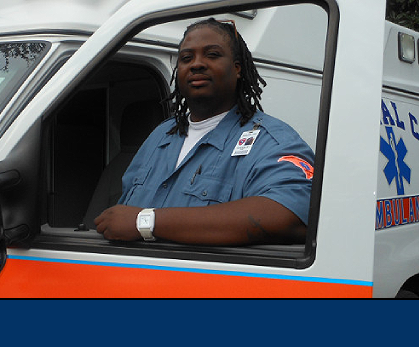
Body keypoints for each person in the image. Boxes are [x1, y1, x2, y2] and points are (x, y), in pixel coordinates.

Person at [94, 18, 315, 246]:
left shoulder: (271, 140)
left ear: (237, 69)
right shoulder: (160, 137)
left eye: (212, 55)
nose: (196, 64)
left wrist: (146, 222)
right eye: (186, 58)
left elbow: (291, 215)